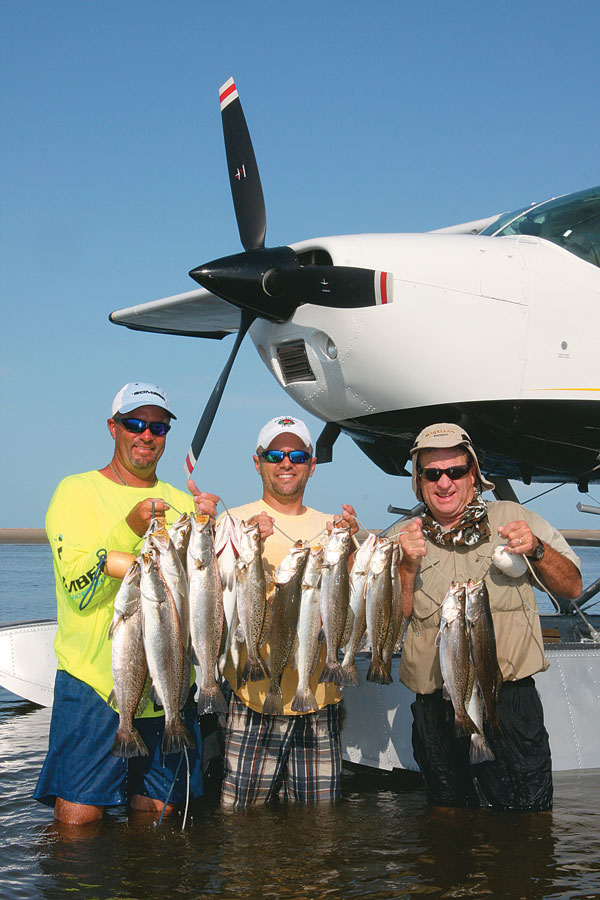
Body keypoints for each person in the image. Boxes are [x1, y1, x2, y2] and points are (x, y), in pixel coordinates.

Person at [35, 382, 208, 825]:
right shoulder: (76, 492)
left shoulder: (181, 503)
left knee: (159, 815)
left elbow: (201, 593)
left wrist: (211, 527)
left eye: (158, 427)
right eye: (135, 424)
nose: (146, 435)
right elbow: (79, 588)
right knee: (79, 819)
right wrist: (130, 528)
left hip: (169, 689)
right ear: (113, 427)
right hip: (97, 687)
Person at [393, 422, 582, 812]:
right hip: (437, 708)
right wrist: (407, 568)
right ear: (418, 481)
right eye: (432, 473)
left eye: (455, 470)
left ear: (473, 474)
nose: (444, 482)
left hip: (508, 705)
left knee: (530, 818)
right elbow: (391, 623)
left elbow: (573, 586)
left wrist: (537, 549)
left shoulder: (514, 517)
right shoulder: (402, 538)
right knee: (447, 818)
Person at [207, 415, 357, 808]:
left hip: (320, 700)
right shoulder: (232, 522)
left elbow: (351, 602)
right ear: (257, 462)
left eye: (297, 455)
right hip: (253, 698)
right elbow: (212, 595)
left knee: (318, 823)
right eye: (275, 455)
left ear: (311, 465)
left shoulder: (334, 526)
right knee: (241, 820)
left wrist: (351, 549)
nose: (286, 462)